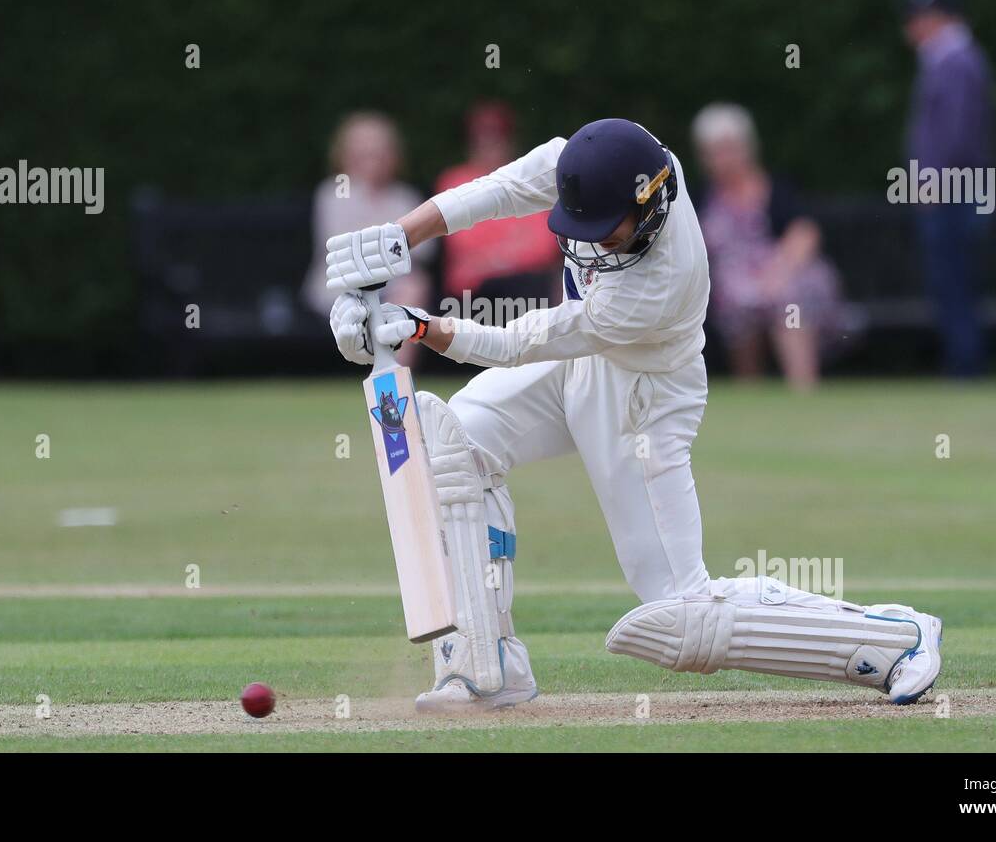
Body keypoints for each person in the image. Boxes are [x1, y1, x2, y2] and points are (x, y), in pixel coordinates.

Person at [325, 119, 941, 712]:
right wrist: (400, 237)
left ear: (649, 211)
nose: (593, 242)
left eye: (608, 232)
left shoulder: (656, 282)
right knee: (456, 440)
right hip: (581, 363)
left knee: (681, 611)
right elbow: (500, 190)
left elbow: (523, 341)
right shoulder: (595, 165)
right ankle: (488, 664)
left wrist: (419, 327)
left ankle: (894, 638)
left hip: (642, 402)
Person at [693, 104, 848, 390]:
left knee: (787, 297)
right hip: (731, 282)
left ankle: (803, 387)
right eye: (715, 151)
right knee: (737, 298)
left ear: (747, 147)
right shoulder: (701, 199)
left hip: (787, 271)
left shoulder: (776, 188)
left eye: (729, 148)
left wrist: (778, 271)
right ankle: (750, 389)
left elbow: (805, 233)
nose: (723, 158)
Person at [903, 0, 994, 377]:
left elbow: (955, 133)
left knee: (954, 278)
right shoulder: (952, 59)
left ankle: (965, 365)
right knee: (953, 277)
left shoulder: (954, 60)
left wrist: (932, 183)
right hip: (957, 188)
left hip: (954, 191)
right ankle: (963, 361)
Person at [301, 111, 433, 318]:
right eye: (364, 154)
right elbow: (342, 246)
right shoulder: (336, 188)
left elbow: (424, 249)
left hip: (392, 287)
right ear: (345, 156)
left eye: (379, 153)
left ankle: (394, 351)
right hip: (343, 288)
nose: (373, 161)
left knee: (415, 287)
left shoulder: (404, 196)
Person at [434, 102, 560, 305]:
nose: (487, 145)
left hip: (524, 283)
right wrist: (512, 250)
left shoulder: (527, 180)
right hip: (473, 290)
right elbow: (461, 242)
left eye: (496, 138)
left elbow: (544, 245)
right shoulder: (454, 179)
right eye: (481, 138)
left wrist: (494, 259)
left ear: (510, 141)